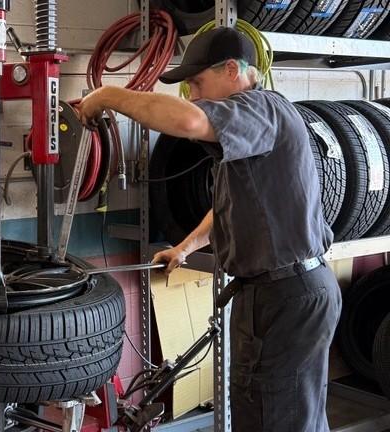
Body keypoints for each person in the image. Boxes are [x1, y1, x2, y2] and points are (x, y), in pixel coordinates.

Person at [77, 27, 341, 431]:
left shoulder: (258, 108)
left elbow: (188, 119)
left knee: (272, 418)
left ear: (233, 70)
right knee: (294, 416)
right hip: (292, 290)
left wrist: (107, 97)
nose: (194, 94)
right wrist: (185, 246)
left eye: (197, 83)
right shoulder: (257, 130)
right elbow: (233, 206)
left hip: (283, 296)